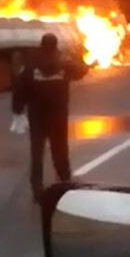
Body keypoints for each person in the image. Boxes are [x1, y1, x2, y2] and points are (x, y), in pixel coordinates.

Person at [12, 33, 89, 203]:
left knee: (37, 153)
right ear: (55, 45)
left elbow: (20, 87)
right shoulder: (64, 64)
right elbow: (82, 71)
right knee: (60, 150)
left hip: (37, 116)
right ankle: (64, 182)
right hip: (58, 115)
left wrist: (17, 109)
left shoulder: (31, 66)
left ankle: (37, 190)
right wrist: (79, 58)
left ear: (41, 45)